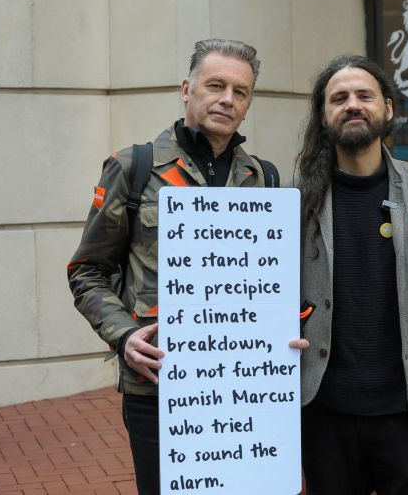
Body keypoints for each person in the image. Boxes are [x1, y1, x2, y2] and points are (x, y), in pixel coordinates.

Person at [68, 39, 306, 495]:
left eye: (241, 91)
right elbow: (86, 270)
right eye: (215, 85)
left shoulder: (265, 179)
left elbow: (276, 285)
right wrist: (124, 336)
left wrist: (288, 327)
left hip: (246, 391)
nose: (227, 99)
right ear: (186, 89)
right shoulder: (133, 167)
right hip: (159, 386)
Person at [295, 54, 408, 495]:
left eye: (364, 96)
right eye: (339, 98)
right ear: (323, 115)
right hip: (323, 414)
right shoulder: (296, 203)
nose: (352, 105)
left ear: (388, 108)